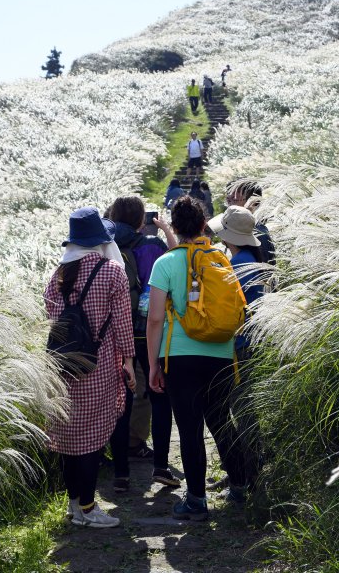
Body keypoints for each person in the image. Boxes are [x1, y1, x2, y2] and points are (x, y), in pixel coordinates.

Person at [147, 196, 246, 520]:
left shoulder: (165, 263)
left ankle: (196, 501)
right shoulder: (219, 258)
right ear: (204, 226)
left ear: (173, 227)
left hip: (180, 357)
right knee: (221, 424)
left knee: (190, 430)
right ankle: (241, 489)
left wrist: (153, 364)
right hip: (220, 353)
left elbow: (156, 319)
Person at [45, 207, 136, 528]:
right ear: (99, 239)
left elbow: (52, 323)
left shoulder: (58, 276)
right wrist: (128, 362)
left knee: (69, 437)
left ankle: (73, 505)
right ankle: (87, 508)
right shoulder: (112, 272)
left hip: (62, 367)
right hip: (98, 369)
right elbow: (123, 325)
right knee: (91, 440)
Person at [108, 197, 179, 492]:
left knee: (121, 396)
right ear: (141, 219)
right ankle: (160, 467)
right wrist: (165, 231)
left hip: (117, 331)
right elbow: (177, 261)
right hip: (151, 329)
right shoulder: (152, 244)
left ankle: (121, 472)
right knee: (159, 393)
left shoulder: (104, 244)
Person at [207, 205, 264, 490]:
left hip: (237, 348)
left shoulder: (237, 266)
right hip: (252, 346)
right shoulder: (253, 260)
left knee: (241, 412)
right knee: (245, 410)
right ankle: (244, 473)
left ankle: (248, 478)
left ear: (228, 236)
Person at [226, 180, 275, 265]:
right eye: (229, 194)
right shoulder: (241, 229)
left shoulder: (258, 233)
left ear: (253, 201)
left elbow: (263, 273)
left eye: (234, 198)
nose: (229, 197)